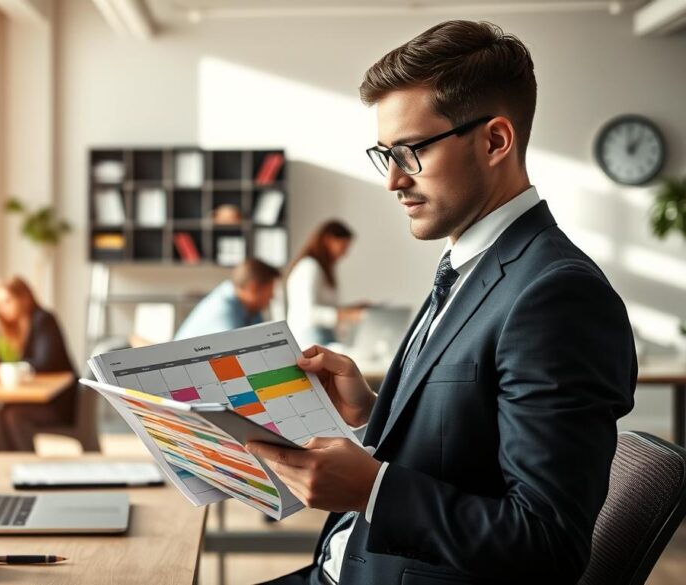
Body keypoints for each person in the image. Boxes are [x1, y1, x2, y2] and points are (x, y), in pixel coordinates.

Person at [250, 21, 636, 585]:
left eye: (410, 152)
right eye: (386, 155)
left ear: (495, 140)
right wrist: (369, 414)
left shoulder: (557, 295)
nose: (393, 182)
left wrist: (371, 490)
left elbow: (548, 546)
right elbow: (473, 444)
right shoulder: (473, 263)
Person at [0, 276, 78, 451]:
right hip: (36, 398)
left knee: (13, 415)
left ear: (24, 297)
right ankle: (4, 465)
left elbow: (44, 363)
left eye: (7, 301)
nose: (2, 309)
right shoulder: (15, 329)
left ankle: (26, 464)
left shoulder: (43, 320)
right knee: (0, 412)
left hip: (59, 400)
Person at [285, 220, 365, 347]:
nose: (345, 253)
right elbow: (307, 313)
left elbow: (325, 307)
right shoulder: (309, 267)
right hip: (309, 337)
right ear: (328, 239)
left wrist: (351, 309)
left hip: (324, 335)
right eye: (343, 247)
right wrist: (348, 315)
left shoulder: (323, 269)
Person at [173, 258, 281, 340]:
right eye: (270, 290)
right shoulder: (225, 313)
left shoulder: (250, 308)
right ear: (253, 288)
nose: (272, 296)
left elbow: (263, 338)